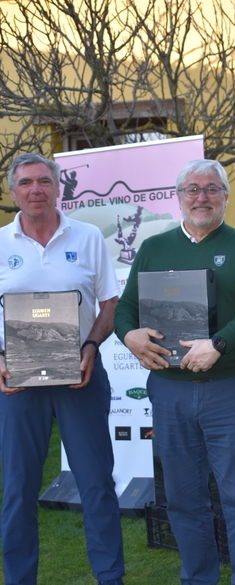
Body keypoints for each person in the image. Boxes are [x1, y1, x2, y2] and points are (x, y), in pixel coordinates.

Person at [114, 159, 235, 585]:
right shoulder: (154, 247)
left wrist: (218, 344)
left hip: (229, 390)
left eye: (212, 189)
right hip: (170, 392)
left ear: (225, 196)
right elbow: (126, 307)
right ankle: (199, 577)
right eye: (193, 189)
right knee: (183, 499)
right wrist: (129, 335)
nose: (202, 197)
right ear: (179, 196)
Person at [0, 153, 125, 585]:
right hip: (18, 383)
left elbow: (110, 303)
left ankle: (110, 578)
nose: (35, 190)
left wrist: (91, 344)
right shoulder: (0, 243)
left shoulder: (88, 237)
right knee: (18, 489)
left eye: (44, 181)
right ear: (12, 191)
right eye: (25, 183)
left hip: (80, 376)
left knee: (96, 484)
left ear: (57, 188)